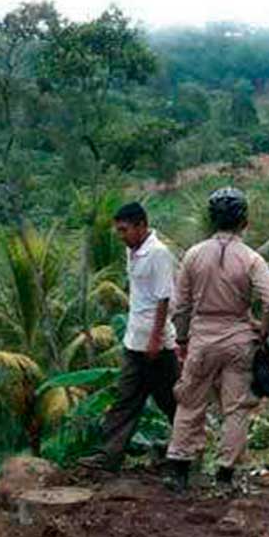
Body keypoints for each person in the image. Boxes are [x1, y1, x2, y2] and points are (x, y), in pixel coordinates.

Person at [163, 187, 269, 492]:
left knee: (190, 403)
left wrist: (183, 339)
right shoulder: (251, 258)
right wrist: (264, 331)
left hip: (203, 338)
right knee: (236, 409)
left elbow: (181, 306)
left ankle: (179, 469)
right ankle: (225, 475)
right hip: (239, 340)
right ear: (244, 220)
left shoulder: (192, 255)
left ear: (211, 219)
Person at [80, 202, 179, 474]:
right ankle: (108, 456)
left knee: (171, 401)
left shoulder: (158, 254)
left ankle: (187, 451)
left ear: (141, 225)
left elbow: (164, 299)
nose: (121, 235)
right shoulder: (132, 251)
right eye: (119, 230)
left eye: (124, 230)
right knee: (126, 400)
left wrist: (155, 340)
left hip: (157, 345)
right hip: (135, 341)